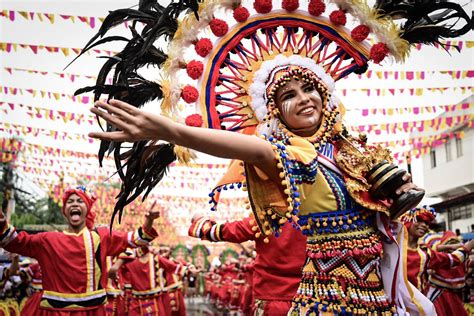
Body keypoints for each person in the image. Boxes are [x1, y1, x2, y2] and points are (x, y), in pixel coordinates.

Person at [83, 1, 471, 314]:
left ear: (325, 94)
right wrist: (169, 131)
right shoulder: (289, 155)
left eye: (309, 89)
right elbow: (241, 147)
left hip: (379, 297)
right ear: (275, 113)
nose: (303, 99)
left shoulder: (354, 150)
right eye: (288, 96)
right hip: (326, 302)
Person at [0, 185, 160, 315]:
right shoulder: (47, 240)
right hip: (55, 312)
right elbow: (14, 241)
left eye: (80, 201)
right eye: (70, 202)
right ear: (65, 211)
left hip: (92, 311)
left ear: (87, 209)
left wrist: (149, 221)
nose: (75, 204)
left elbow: (136, 239)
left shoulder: (102, 236)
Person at [188, 215, 306, 315]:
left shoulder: (265, 219)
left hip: (272, 303)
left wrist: (202, 222)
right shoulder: (317, 220)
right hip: (310, 303)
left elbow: (217, 231)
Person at [399, 206, 474, 316]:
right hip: (396, 305)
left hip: (419, 306)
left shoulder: (425, 252)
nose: (424, 225)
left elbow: (452, 259)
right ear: (407, 221)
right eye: (419, 220)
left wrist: (468, 246)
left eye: (427, 223)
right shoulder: (392, 247)